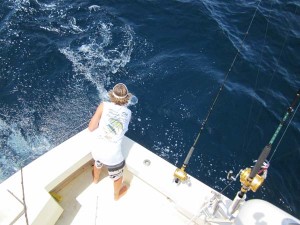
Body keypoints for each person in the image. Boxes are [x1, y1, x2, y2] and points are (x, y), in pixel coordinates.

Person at [88, 83, 132, 200]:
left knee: (98, 161)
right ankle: (116, 196)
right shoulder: (128, 113)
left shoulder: (103, 105)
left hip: (97, 150)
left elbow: (91, 127)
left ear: (112, 95)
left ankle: (95, 180)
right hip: (113, 156)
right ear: (127, 98)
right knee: (117, 177)